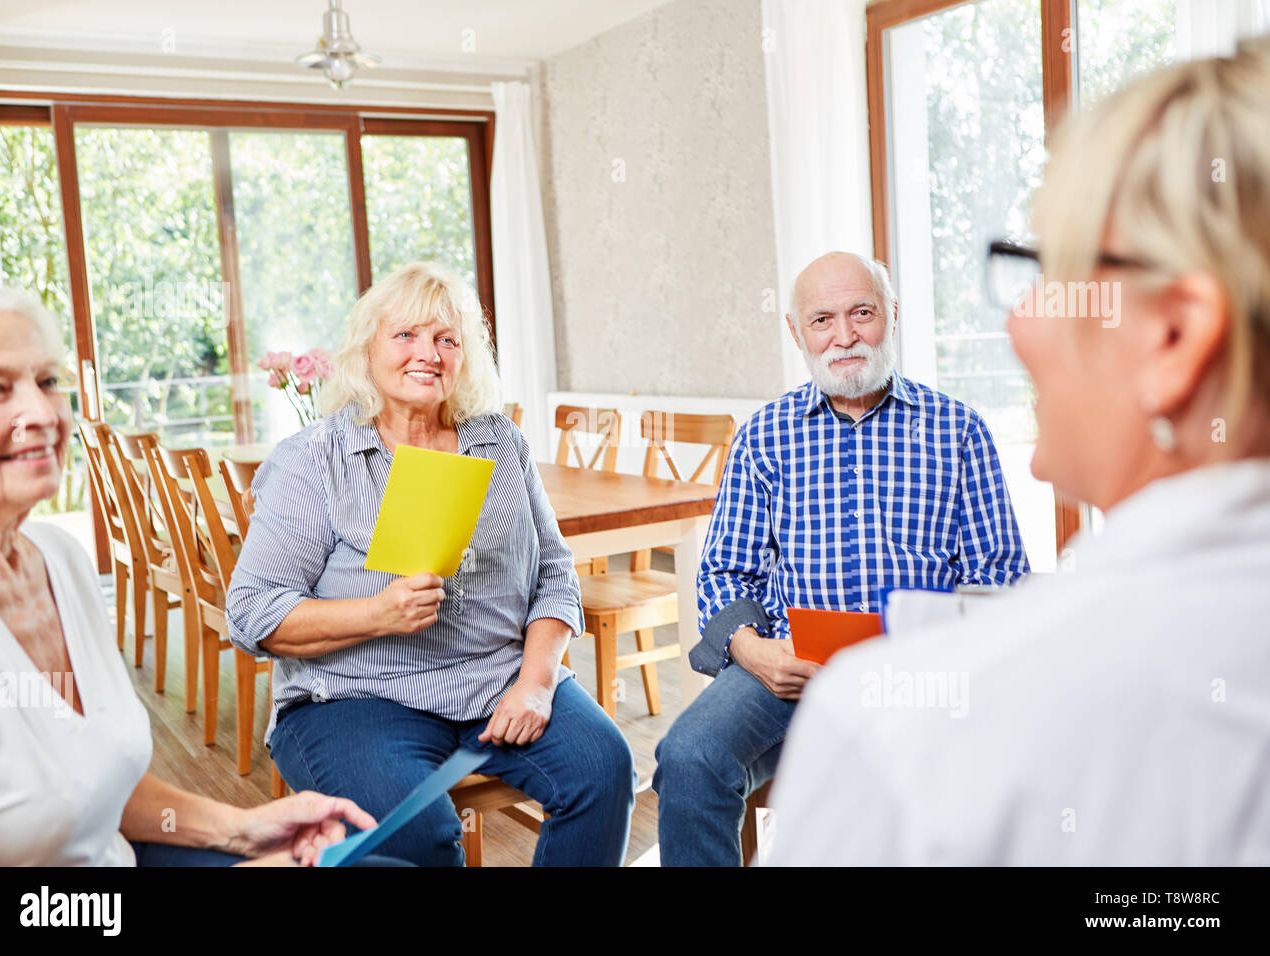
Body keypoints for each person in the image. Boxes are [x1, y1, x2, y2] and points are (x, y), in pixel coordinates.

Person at [768, 37, 1270, 865]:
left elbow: (997, 568)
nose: (1018, 321)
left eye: (1051, 269)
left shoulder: (892, 741)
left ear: (1175, 336)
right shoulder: (769, 432)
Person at [226, 262, 636, 867]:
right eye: (407, 336)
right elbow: (251, 615)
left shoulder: (499, 442)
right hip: (354, 697)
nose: (430, 353)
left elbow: (554, 569)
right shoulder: (313, 460)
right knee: (417, 836)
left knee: (605, 769)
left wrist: (537, 682)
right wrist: (376, 614)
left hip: (497, 680)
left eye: (447, 339)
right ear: (368, 348)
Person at [0, 279, 381, 867]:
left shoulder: (58, 558)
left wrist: (246, 829)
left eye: (46, 382)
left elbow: (102, 789)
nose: (39, 412)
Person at [653, 251, 1029, 866]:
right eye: (822, 320)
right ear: (796, 332)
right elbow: (724, 571)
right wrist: (754, 651)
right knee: (689, 756)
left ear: (893, 315)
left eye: (862, 313)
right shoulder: (763, 435)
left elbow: (999, 577)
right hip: (786, 675)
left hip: (921, 677)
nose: (845, 336)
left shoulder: (959, 431)